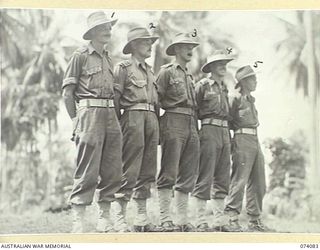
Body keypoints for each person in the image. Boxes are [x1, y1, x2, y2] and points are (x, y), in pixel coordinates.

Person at [61, 11, 123, 233]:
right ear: (93, 32)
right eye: (103, 27)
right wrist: (76, 120)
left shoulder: (108, 57)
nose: (108, 30)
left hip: (110, 115)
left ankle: (104, 218)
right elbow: (68, 93)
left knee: (113, 168)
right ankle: (79, 219)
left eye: (109, 27)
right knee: (87, 167)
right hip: (89, 114)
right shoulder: (80, 56)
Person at [113, 27, 159, 232]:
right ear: (133, 46)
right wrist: (117, 123)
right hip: (132, 117)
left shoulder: (150, 71)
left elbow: (156, 102)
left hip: (151, 119)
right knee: (129, 169)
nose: (150, 46)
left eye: (151, 42)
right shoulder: (123, 68)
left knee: (148, 170)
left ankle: (141, 218)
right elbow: (115, 98)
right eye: (145, 42)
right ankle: (119, 217)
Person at [156, 33, 200, 232]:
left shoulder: (190, 76)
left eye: (191, 46)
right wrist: (158, 127)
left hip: (191, 123)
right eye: (184, 47)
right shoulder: (166, 72)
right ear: (176, 50)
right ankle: (165, 218)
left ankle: (182, 219)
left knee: (188, 173)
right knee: (169, 170)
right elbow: (156, 100)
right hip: (172, 120)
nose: (189, 50)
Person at [223, 65, 272, 232]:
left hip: (254, 139)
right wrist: (231, 143)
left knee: (259, 180)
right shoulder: (235, 98)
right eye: (252, 78)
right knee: (240, 179)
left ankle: (254, 220)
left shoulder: (251, 100)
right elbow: (227, 121)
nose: (256, 81)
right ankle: (232, 218)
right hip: (241, 138)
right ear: (243, 82)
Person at [192, 50, 234, 232]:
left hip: (224, 132)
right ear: (210, 67)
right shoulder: (202, 85)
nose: (223, 66)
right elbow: (193, 110)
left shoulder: (224, 87)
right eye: (219, 63)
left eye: (225, 63)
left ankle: (219, 220)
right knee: (205, 174)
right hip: (208, 130)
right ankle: (200, 219)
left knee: (222, 176)